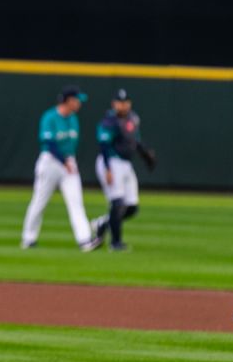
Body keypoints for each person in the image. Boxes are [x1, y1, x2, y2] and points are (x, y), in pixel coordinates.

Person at [19, 86, 102, 251]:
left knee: (76, 202)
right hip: (50, 163)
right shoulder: (50, 117)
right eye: (77, 100)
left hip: (69, 164)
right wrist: (65, 161)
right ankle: (28, 239)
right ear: (69, 100)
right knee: (39, 202)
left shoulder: (73, 119)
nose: (79, 103)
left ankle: (85, 240)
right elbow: (49, 143)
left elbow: (71, 146)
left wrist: (69, 161)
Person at [91, 88, 157, 252]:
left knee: (132, 208)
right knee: (118, 203)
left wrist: (145, 155)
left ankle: (103, 223)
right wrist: (107, 169)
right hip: (112, 162)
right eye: (120, 102)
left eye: (125, 102)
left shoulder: (133, 119)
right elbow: (104, 146)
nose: (123, 105)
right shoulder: (109, 121)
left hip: (126, 164)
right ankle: (115, 243)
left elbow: (136, 141)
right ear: (114, 104)